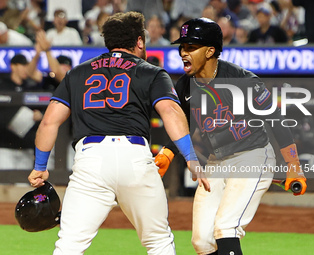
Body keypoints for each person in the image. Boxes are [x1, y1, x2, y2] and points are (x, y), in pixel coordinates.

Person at [27, 11, 209, 255]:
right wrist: (190, 157)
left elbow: (49, 122)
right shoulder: (151, 72)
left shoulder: (78, 72)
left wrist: (40, 166)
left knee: (69, 245)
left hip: (90, 162)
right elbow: (171, 113)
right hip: (134, 158)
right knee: (158, 242)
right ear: (140, 41)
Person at [155, 17, 307, 255]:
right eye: (182, 47)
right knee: (202, 241)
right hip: (217, 161)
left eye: (191, 47)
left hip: (252, 156)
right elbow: (180, 124)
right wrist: (168, 151)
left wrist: (293, 165)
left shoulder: (242, 81)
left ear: (210, 51)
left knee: (226, 227)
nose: (183, 52)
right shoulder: (185, 86)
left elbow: (277, 122)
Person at [0, 54, 42, 170]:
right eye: (22, 65)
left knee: (24, 186)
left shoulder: (31, 88)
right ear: (13, 66)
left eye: (27, 66)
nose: (25, 69)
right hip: (4, 147)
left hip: (25, 147)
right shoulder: (3, 86)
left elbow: (43, 107)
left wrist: (39, 115)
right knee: (4, 184)